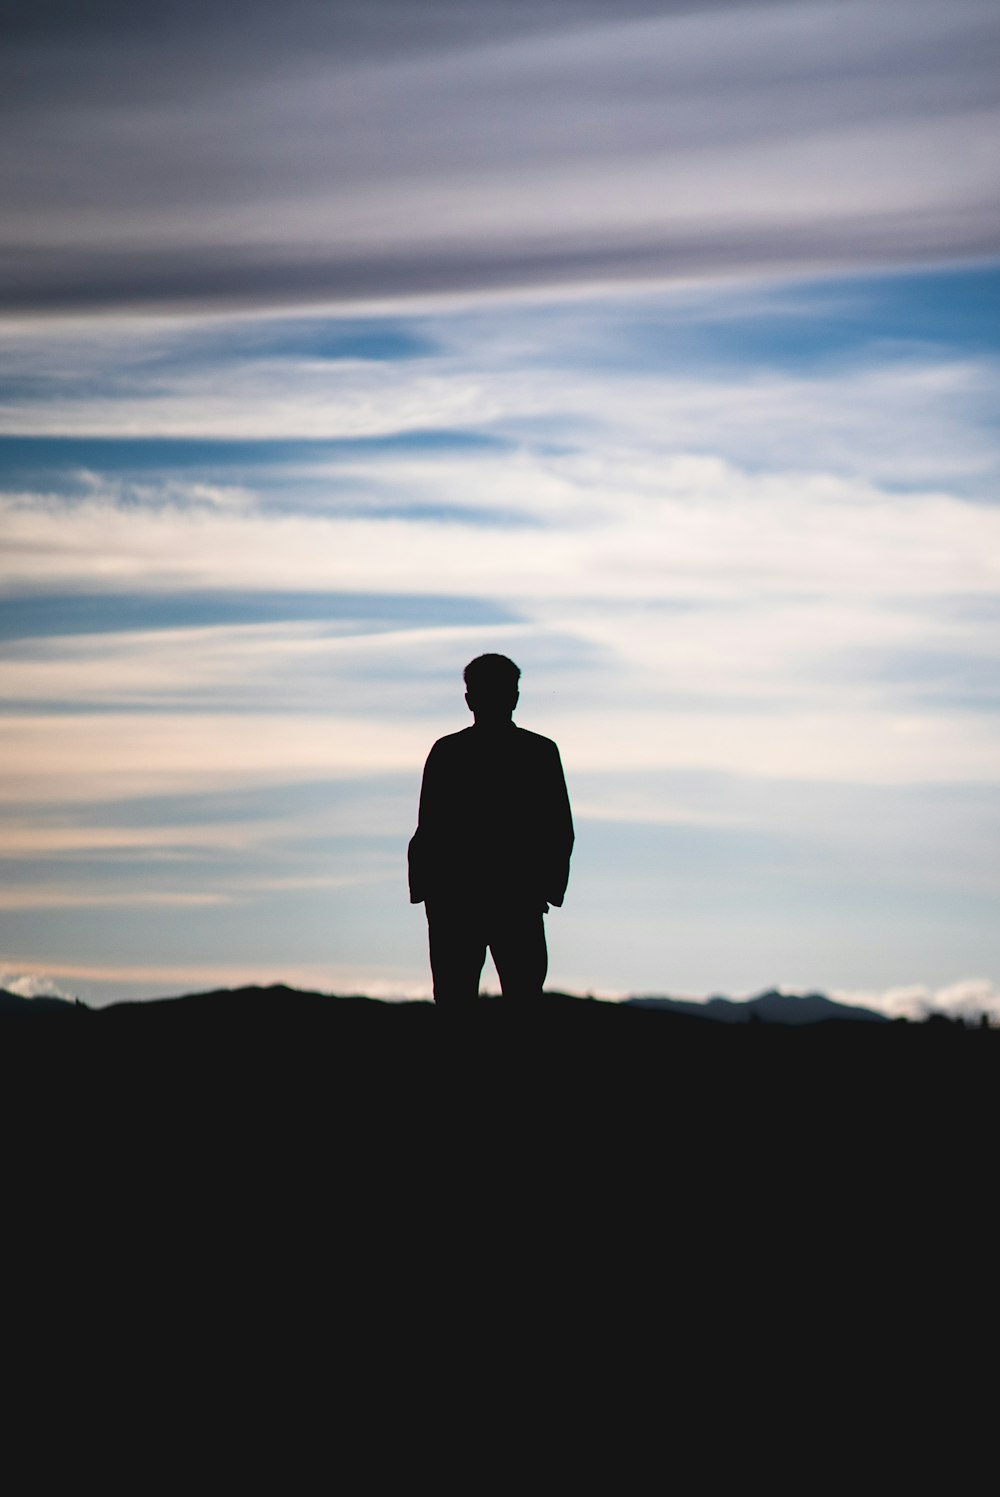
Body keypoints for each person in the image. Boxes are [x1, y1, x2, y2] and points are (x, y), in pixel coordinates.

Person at [408, 654, 574, 1006]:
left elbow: (429, 829)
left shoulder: (450, 751)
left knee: (478, 998)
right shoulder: (537, 751)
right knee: (507, 997)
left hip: (482, 898)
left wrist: (427, 890)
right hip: (488, 898)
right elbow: (558, 830)